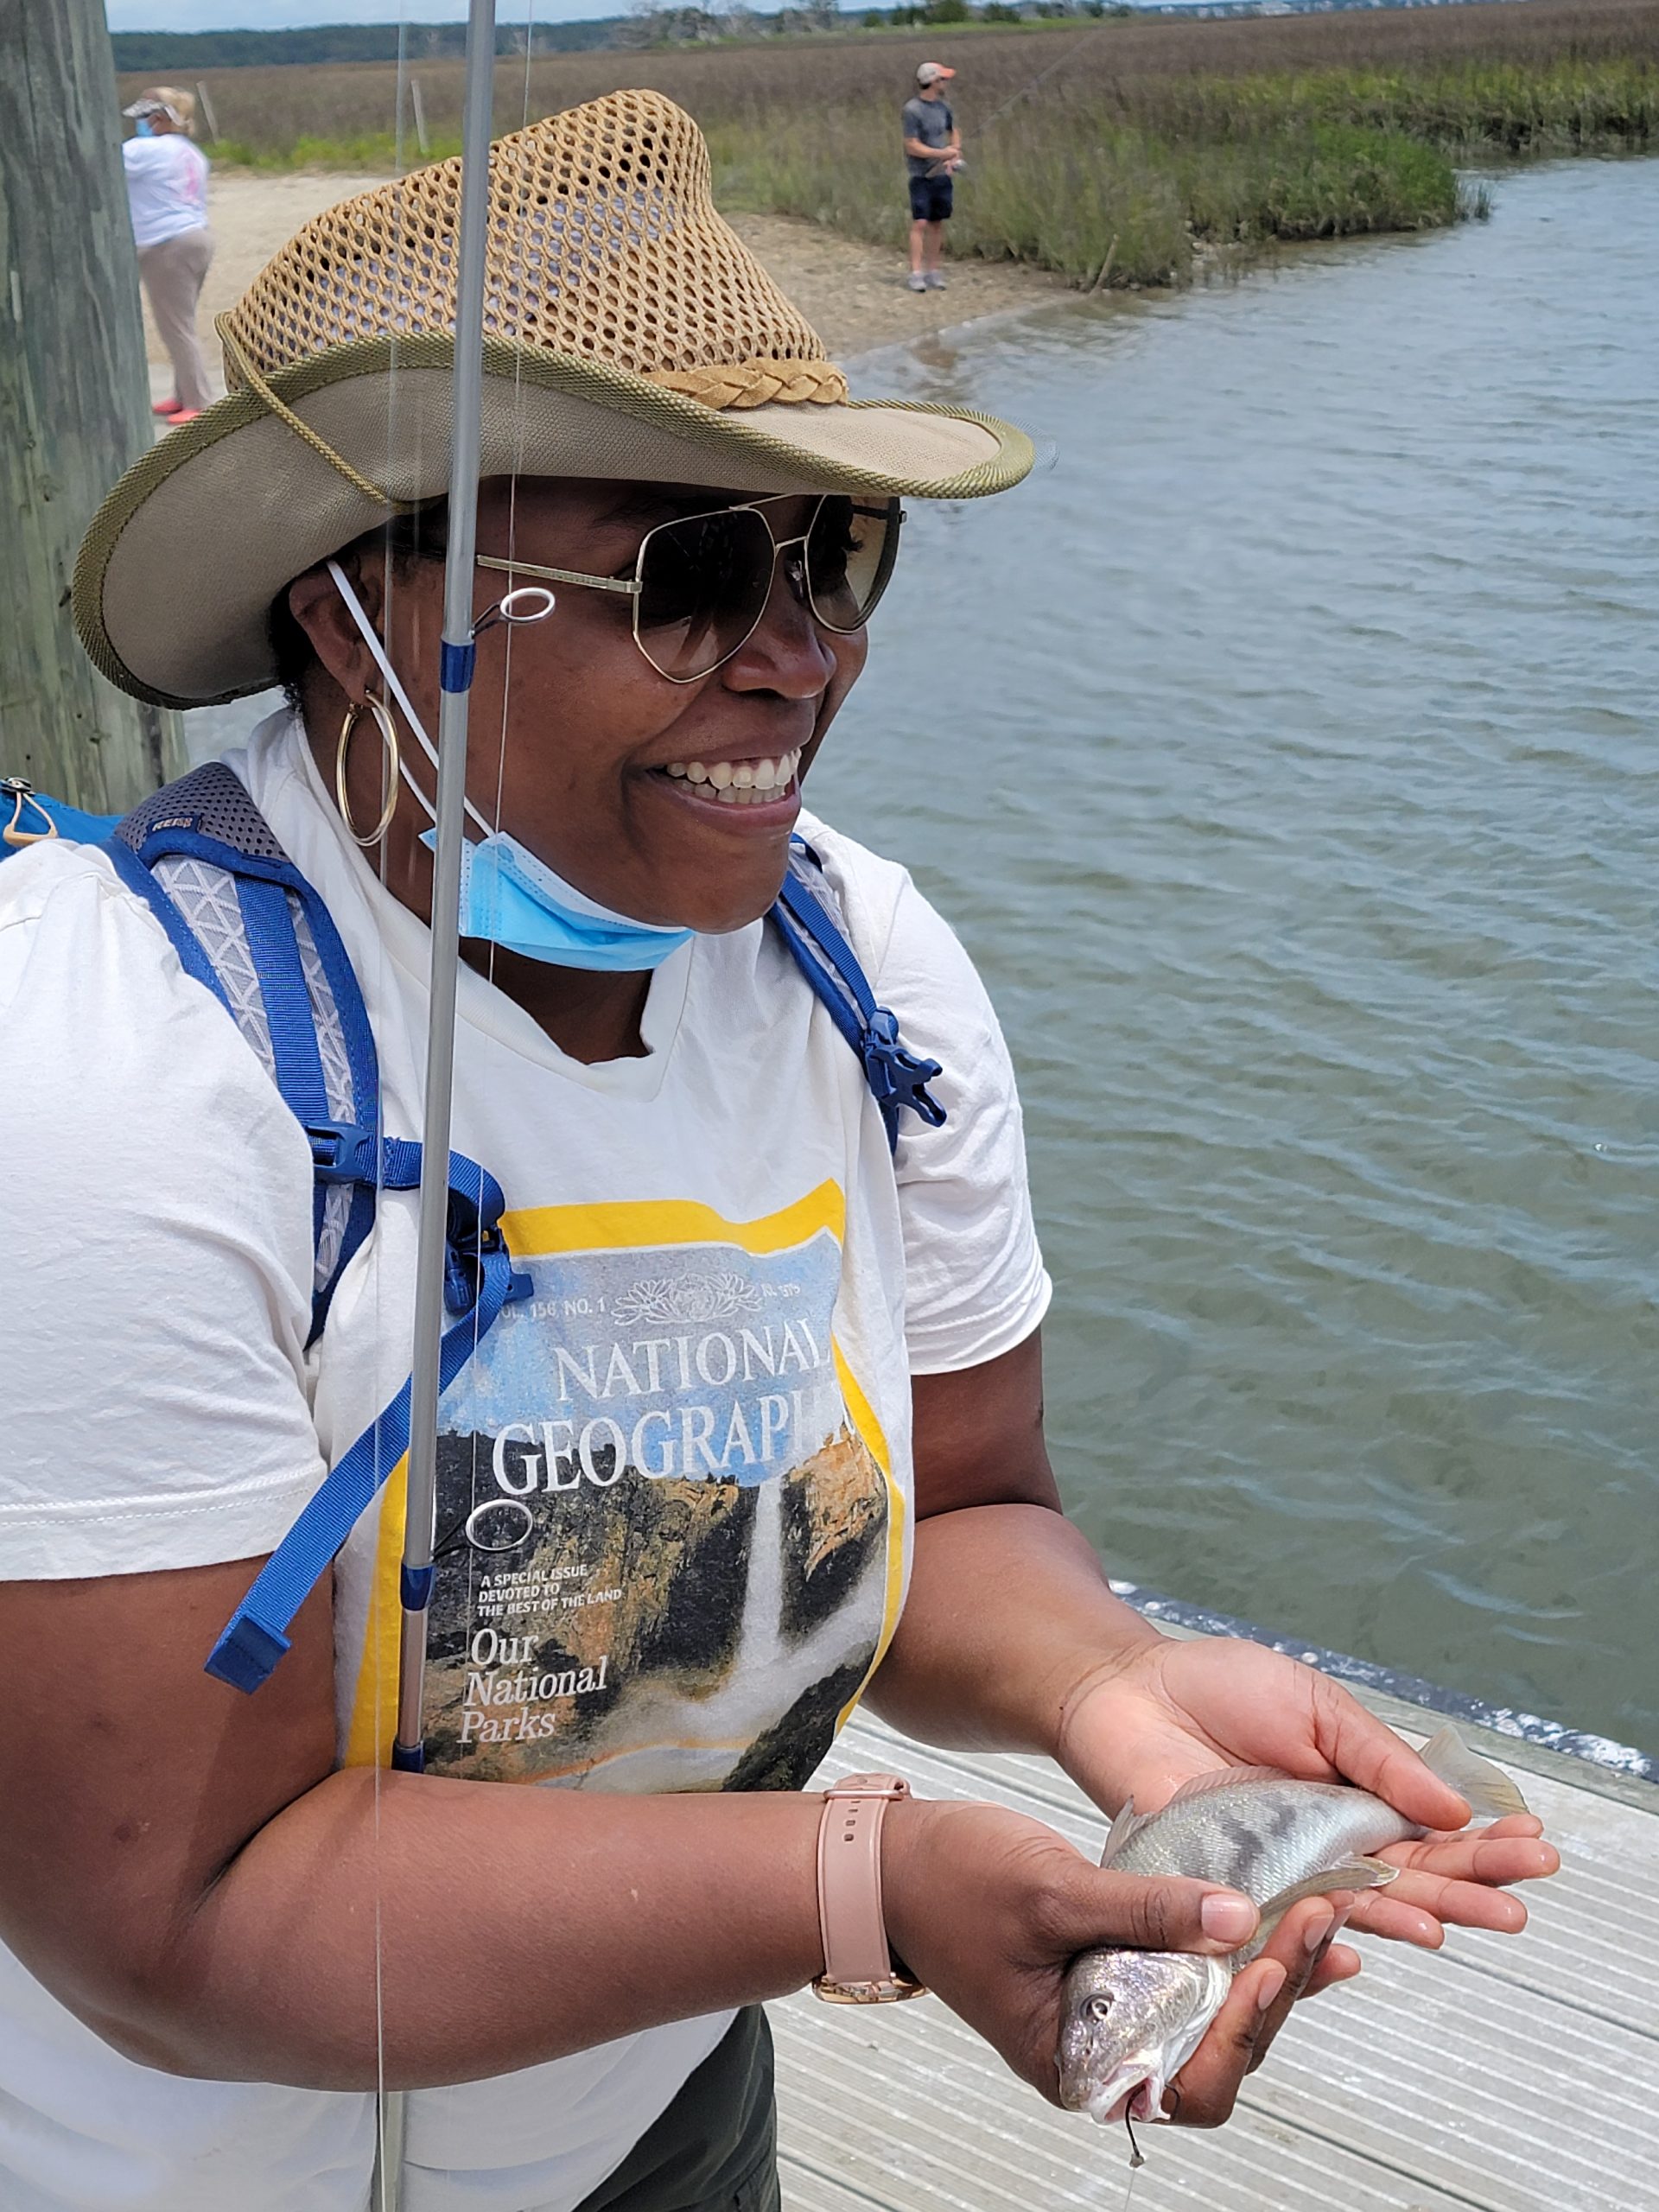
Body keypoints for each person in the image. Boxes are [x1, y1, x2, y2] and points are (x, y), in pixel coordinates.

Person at [0, 90, 1554, 2212]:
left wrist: (1119, 1694)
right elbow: (179, 1910)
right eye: (691, 570)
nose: (800, 660)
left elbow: (967, 1497)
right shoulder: (103, 1072)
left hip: (656, 2114)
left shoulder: (864, 970)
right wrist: (868, 1879)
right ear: (362, 601)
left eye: (833, 557)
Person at [121, 86, 215, 422]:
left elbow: (104, 164)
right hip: (196, 238)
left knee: (175, 327)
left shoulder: (145, 151)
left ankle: (198, 400)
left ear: (158, 118)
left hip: (165, 245)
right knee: (182, 320)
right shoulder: (191, 153)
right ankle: (182, 393)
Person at [903, 61, 961, 294]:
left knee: (937, 223)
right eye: (943, 79)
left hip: (942, 175)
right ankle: (916, 273)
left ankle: (933, 271)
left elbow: (954, 130)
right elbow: (912, 146)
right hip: (921, 175)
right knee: (920, 223)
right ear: (933, 82)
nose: (946, 83)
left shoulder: (944, 107)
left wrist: (954, 152)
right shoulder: (912, 110)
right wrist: (941, 153)